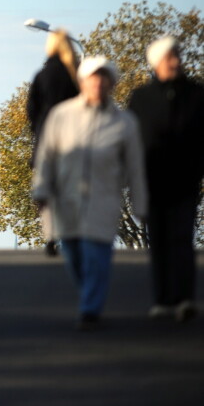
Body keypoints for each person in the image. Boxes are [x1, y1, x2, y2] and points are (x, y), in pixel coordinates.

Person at [32, 56, 147, 331]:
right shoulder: (61, 115)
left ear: (111, 83)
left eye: (104, 77)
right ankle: (89, 295)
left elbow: (135, 167)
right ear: (82, 82)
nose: (98, 82)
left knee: (96, 255)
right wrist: (41, 188)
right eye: (93, 77)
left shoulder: (124, 122)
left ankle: (90, 309)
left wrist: (141, 205)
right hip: (66, 199)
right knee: (74, 255)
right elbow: (46, 156)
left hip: (103, 199)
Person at [128, 36, 204, 323]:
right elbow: (132, 140)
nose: (175, 62)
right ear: (156, 63)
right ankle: (162, 300)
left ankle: (185, 299)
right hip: (152, 181)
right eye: (168, 57)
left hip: (186, 181)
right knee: (158, 241)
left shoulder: (197, 94)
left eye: (177, 56)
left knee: (182, 238)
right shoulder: (141, 98)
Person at [27, 30, 80, 257]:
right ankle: (70, 232)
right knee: (71, 188)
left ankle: (50, 235)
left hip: (47, 139)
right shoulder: (76, 75)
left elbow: (32, 109)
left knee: (46, 190)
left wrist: (37, 130)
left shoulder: (43, 75)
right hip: (74, 139)